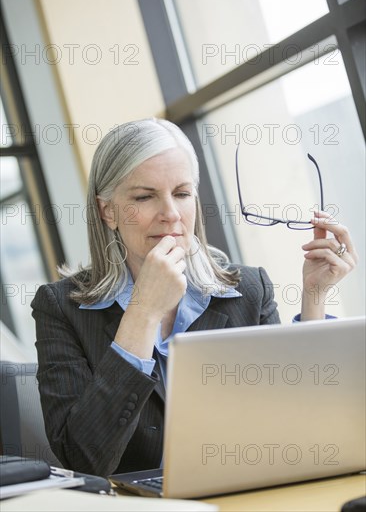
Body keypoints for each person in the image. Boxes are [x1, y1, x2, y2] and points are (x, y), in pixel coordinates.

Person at [31, 118, 358, 477]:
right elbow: (84, 460)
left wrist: (314, 296)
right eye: (144, 196)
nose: (170, 213)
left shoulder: (249, 290)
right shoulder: (61, 307)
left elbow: (300, 429)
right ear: (108, 210)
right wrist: (143, 312)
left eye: (183, 194)